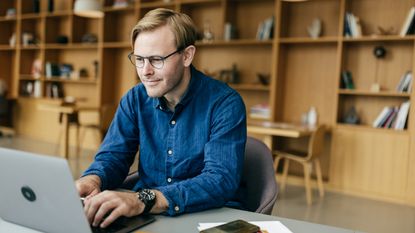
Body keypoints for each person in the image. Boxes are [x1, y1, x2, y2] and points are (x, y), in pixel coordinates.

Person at [75, 8, 247, 229]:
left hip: (208, 215)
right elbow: (113, 156)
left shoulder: (225, 103)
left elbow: (219, 181)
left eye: (156, 59)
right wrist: (93, 179)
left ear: (187, 55)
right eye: (139, 59)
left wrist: (144, 199)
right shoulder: (134, 99)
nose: (145, 71)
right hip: (149, 216)